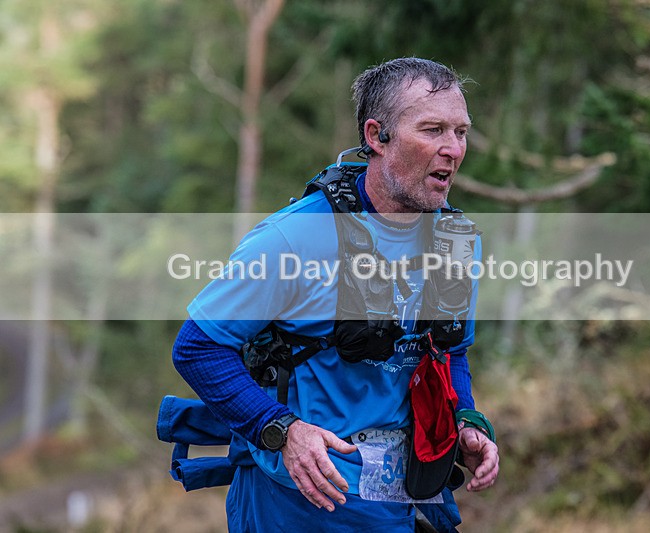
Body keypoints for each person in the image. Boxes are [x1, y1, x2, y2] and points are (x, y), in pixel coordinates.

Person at [172, 57, 499, 532]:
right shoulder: (296, 237)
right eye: (432, 130)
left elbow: (450, 351)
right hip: (295, 505)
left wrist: (466, 420)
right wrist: (282, 431)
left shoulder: (456, 241)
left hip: (398, 503)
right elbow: (197, 347)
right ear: (376, 136)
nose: (452, 149)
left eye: (461, 132)